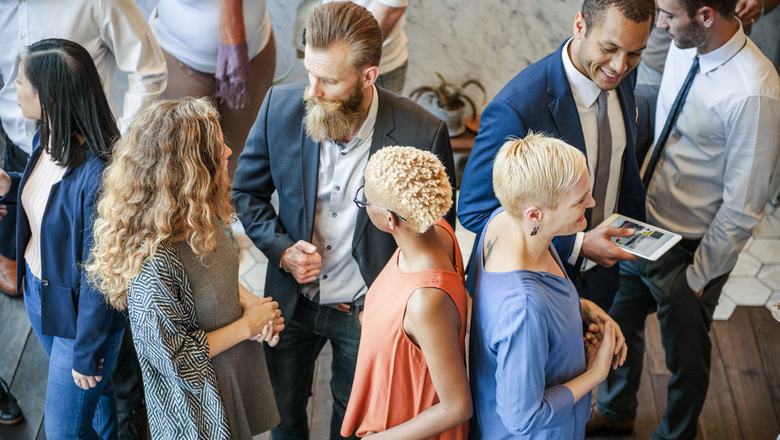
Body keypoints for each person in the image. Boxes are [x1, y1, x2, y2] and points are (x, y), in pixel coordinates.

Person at [232, 2, 456, 439]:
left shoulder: (422, 132)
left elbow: (436, 233)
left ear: (368, 76)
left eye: (329, 80)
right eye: (309, 72)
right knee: (282, 416)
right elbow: (245, 192)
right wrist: (281, 251)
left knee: (352, 420)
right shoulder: (280, 106)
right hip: (291, 303)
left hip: (367, 308)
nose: (311, 90)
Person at [588, 0, 780, 438]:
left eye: (669, 15)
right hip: (642, 225)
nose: (660, 24)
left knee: (685, 359)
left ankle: (676, 435)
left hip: (690, 248)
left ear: (706, 16)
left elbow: (742, 207)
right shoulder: (681, 46)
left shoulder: (755, 91)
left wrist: (698, 278)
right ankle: (616, 413)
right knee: (619, 322)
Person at [88, 97, 284, 440]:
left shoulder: (200, 214)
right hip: (200, 405)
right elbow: (175, 360)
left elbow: (210, 276)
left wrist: (250, 303)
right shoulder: (153, 265)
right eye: (216, 147)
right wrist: (246, 326)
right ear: (187, 169)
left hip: (231, 368)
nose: (226, 151)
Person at [458, 0, 655, 311]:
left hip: (605, 276)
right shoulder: (517, 109)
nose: (619, 66)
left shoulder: (621, 73)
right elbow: (475, 212)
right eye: (609, 48)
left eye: (634, 53)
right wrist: (577, 245)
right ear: (579, 26)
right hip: (533, 287)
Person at [0, 38, 127, 440]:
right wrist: (9, 185)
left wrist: (89, 354)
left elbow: (99, 275)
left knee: (62, 433)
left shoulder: (101, 176)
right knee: (101, 397)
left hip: (80, 321)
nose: (12, 90)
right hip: (40, 294)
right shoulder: (46, 136)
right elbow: (53, 204)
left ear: (49, 97)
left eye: (21, 83)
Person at [0, 0, 166, 299]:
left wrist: (122, 142)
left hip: (86, 155)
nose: (14, 86)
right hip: (26, 145)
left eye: (20, 82)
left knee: (85, 255)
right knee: (36, 229)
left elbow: (148, 72)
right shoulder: (40, 136)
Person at [469, 134, 627, 440]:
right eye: (580, 200)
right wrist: (597, 372)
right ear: (535, 215)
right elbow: (523, 419)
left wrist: (583, 307)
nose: (591, 203)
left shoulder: (505, 221)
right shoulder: (524, 309)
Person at [341, 146, 471, 440]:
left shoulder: (426, 300)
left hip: (404, 422)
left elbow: (457, 407)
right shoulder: (439, 230)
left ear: (391, 220)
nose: (364, 201)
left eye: (366, 199)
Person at [149, 0, 277, 179]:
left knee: (241, 164)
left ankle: (232, 205)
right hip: (180, 58)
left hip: (251, 55)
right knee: (186, 171)